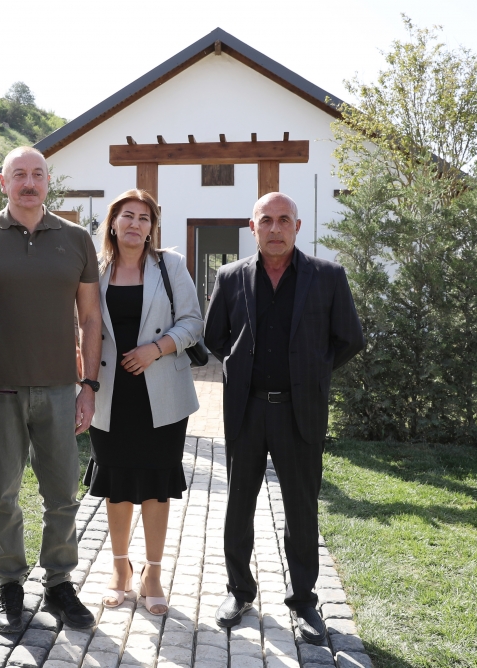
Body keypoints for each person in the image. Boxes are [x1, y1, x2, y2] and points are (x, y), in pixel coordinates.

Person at [0, 146, 102, 631]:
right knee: (2, 496)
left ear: (48, 181)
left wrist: (89, 386)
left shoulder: (77, 239)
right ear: (3, 183)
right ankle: (10, 584)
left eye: (37, 174)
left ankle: (59, 584)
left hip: (59, 388)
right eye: (19, 175)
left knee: (63, 495)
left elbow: (91, 318)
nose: (29, 183)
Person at [203, 192, 364, 643]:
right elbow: (215, 336)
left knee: (301, 507)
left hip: (300, 410)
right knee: (239, 505)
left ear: (297, 226)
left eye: (284, 220)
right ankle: (239, 591)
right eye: (266, 220)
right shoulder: (230, 277)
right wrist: (242, 367)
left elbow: (350, 338)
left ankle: (304, 600)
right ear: (252, 227)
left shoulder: (328, 276)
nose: (275, 228)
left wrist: (312, 371)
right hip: (247, 409)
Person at [87, 189, 203, 615]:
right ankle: (120, 568)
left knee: (157, 485)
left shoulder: (170, 265)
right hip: (109, 392)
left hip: (161, 393)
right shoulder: (95, 269)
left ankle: (153, 573)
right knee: (116, 486)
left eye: (144, 217)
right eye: (127, 215)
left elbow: (193, 322)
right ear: (113, 223)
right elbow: (80, 323)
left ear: (153, 227)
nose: (135, 224)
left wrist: (156, 348)